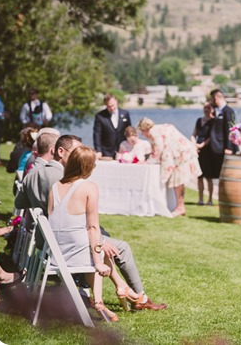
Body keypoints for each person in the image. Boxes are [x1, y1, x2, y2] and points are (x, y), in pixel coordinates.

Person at [15, 134, 167, 311]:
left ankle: (104, 288)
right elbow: (77, 222)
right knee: (119, 247)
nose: (78, 156)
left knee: (102, 240)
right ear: (60, 151)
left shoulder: (33, 173)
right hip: (66, 242)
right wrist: (100, 242)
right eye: (75, 151)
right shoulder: (63, 179)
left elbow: (20, 204)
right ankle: (139, 295)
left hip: (44, 239)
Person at [48, 145, 128, 322]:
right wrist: (98, 262)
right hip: (75, 253)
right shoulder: (89, 187)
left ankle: (105, 297)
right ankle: (101, 299)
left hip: (55, 252)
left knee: (99, 244)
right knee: (99, 245)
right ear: (87, 167)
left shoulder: (55, 187)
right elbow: (92, 227)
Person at [137, 117, 202, 217]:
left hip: (179, 155)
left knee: (177, 181)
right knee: (179, 181)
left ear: (145, 129)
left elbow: (158, 150)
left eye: (142, 132)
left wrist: (147, 162)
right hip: (183, 151)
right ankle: (180, 206)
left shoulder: (154, 132)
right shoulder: (161, 127)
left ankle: (180, 207)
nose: (142, 135)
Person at [93, 94, 132, 159]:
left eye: (113, 105)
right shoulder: (100, 116)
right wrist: (98, 150)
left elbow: (129, 130)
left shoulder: (125, 113)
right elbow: (97, 134)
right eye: (109, 106)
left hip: (123, 149)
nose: (111, 108)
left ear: (116, 102)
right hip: (106, 151)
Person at [191, 102, 215, 205]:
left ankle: (210, 199)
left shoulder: (213, 122)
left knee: (209, 176)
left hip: (208, 150)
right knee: (199, 176)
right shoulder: (198, 120)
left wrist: (202, 145)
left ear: (212, 109)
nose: (206, 110)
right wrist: (194, 144)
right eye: (205, 107)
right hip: (198, 150)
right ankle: (200, 199)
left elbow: (212, 136)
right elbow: (193, 134)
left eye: (208, 108)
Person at [209, 88, 238, 163]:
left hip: (223, 147)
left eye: (212, 99)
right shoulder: (215, 111)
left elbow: (230, 129)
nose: (211, 102)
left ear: (215, 98)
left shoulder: (228, 111)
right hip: (216, 147)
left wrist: (229, 147)